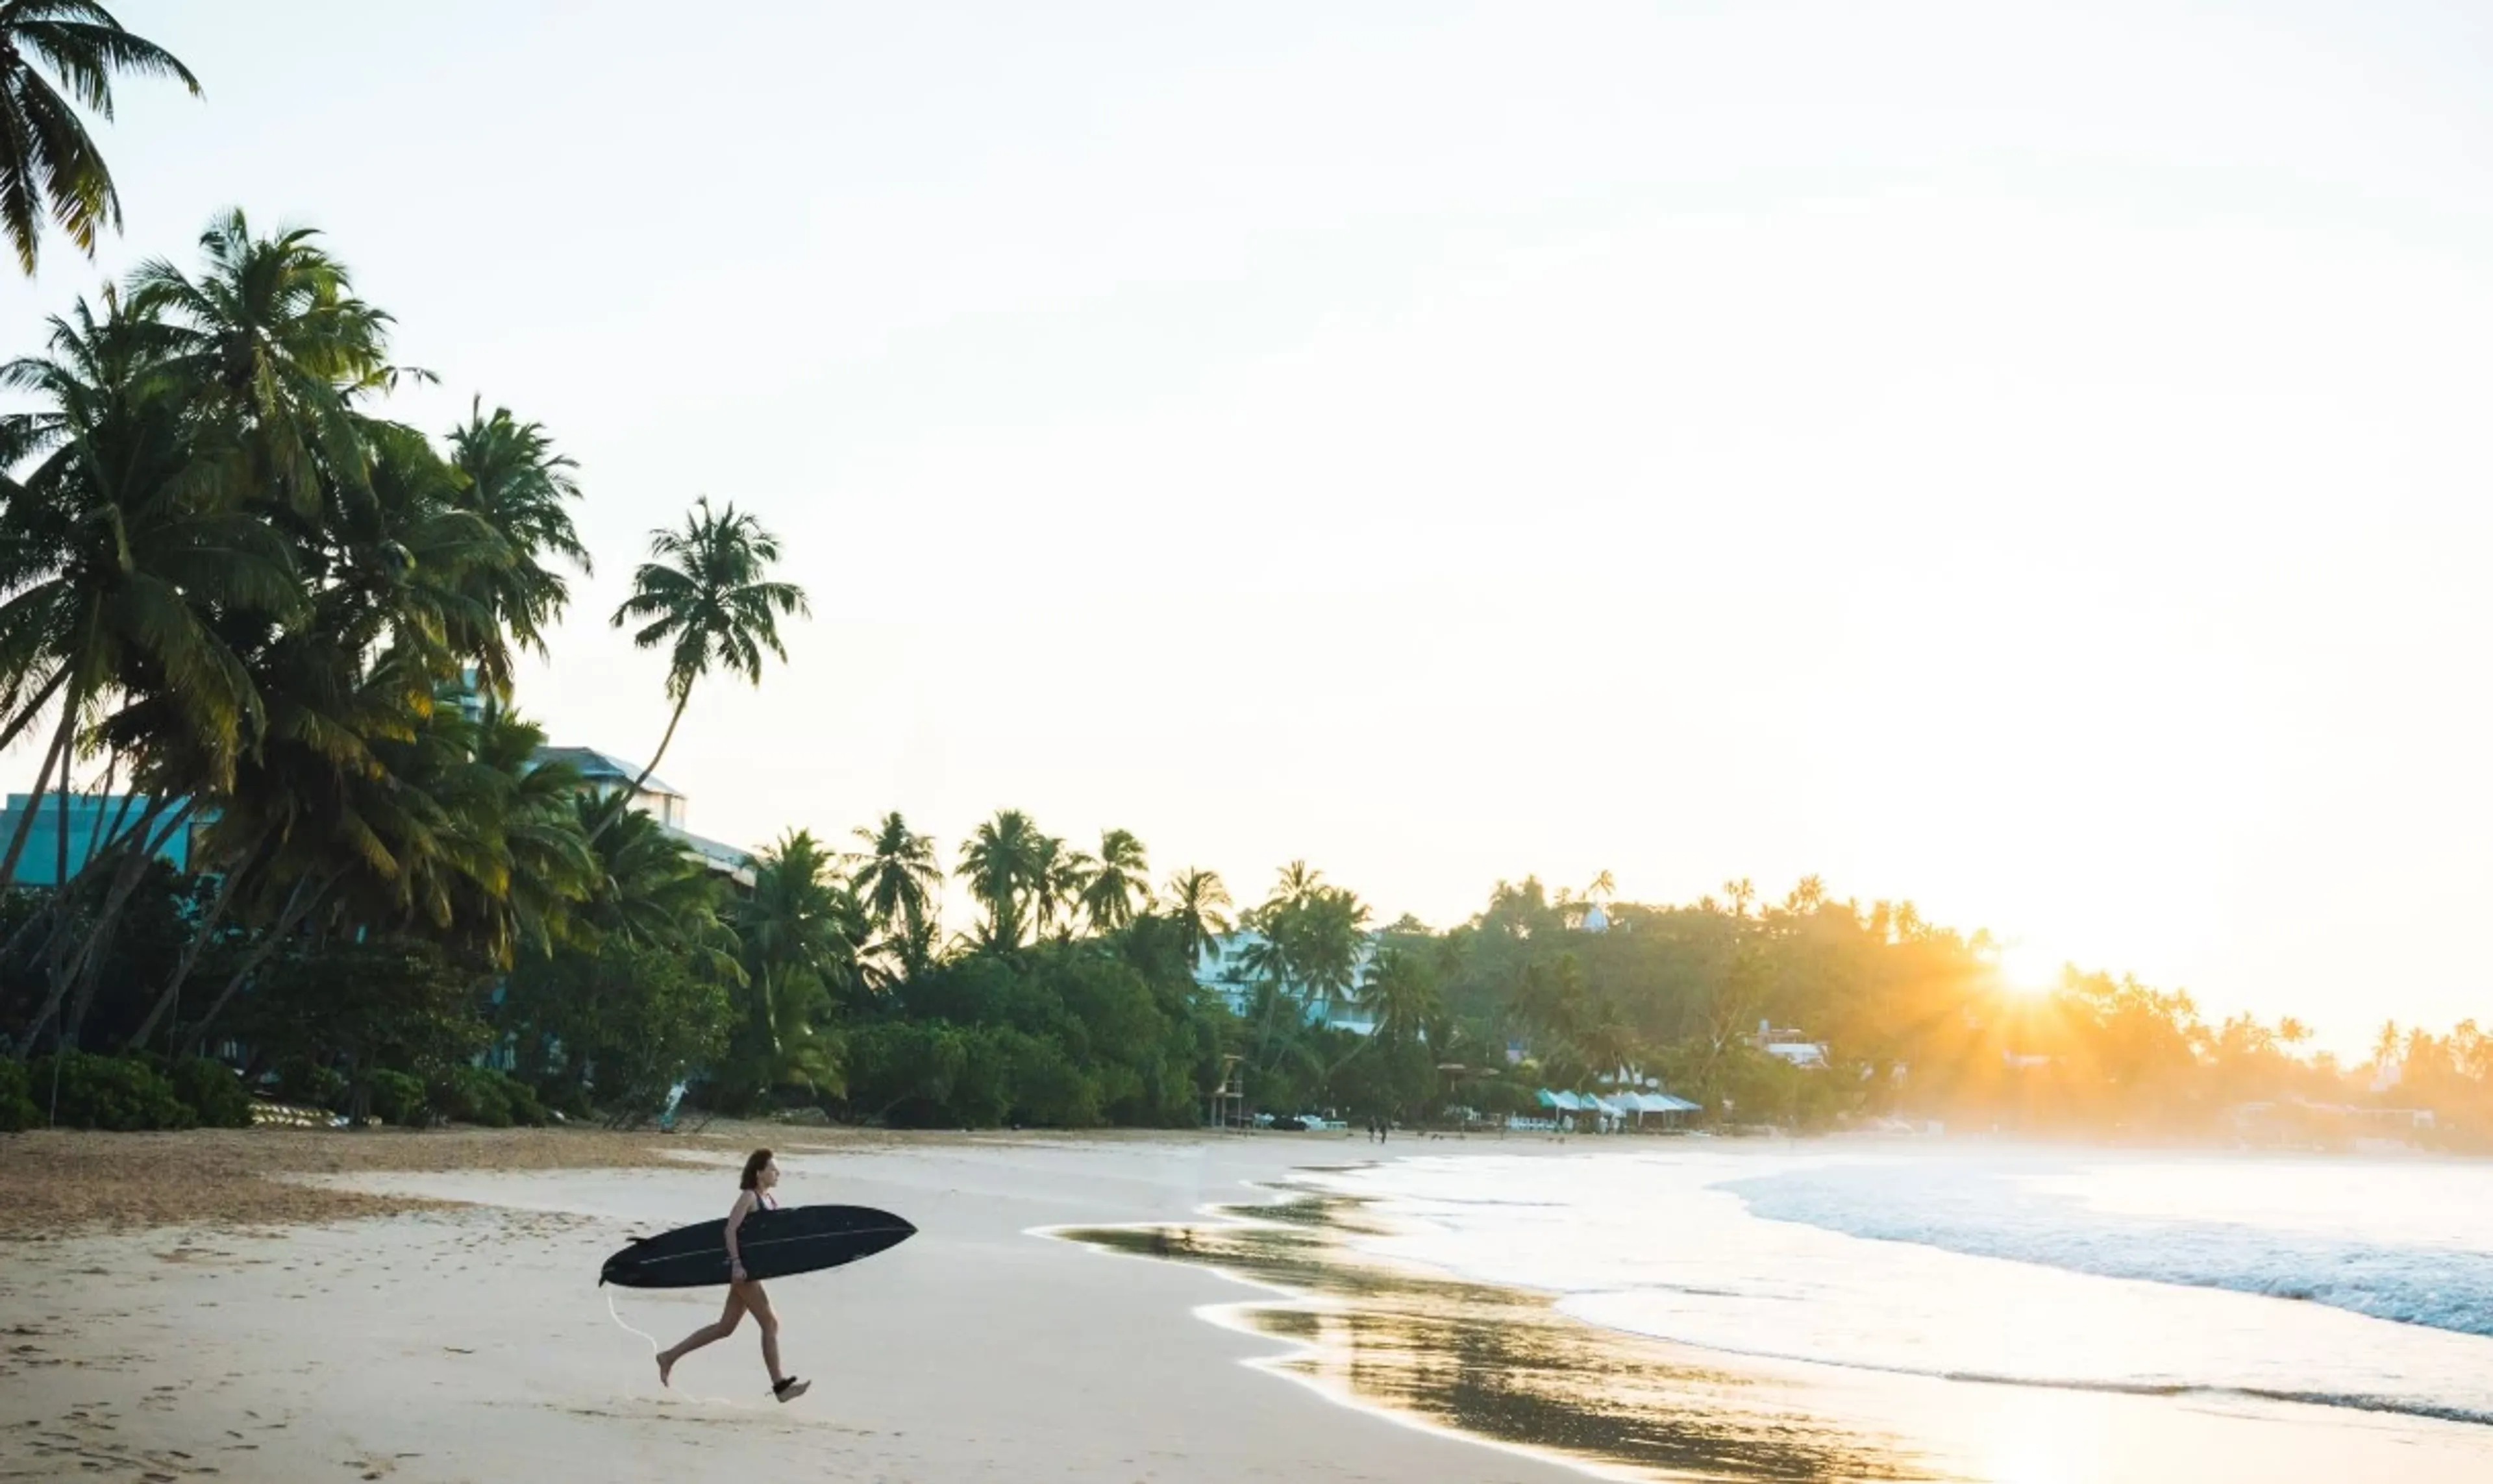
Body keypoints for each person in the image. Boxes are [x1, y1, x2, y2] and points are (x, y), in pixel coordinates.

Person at [656, 1148, 809, 1402]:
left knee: (725, 1328)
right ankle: (780, 1387)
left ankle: (668, 1356)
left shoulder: (770, 1201)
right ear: (759, 1173)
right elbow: (730, 1230)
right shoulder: (749, 1197)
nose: (778, 1173)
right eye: (773, 1169)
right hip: (743, 1272)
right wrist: (736, 1264)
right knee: (770, 1324)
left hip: (753, 1271)